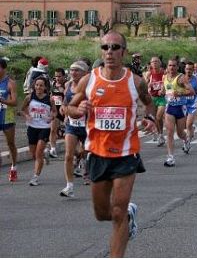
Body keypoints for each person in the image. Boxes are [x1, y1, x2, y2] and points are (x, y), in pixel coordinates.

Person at [66, 31, 157, 257]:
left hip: (126, 154)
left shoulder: (135, 82)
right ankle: (128, 216)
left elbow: (149, 103)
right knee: (102, 213)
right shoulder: (89, 80)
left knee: (117, 210)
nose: (110, 52)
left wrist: (150, 118)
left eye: (115, 47)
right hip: (97, 152)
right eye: (105, 47)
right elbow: (66, 108)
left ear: (123, 52)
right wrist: (77, 110)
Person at [60, 61, 89, 197]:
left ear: (85, 73)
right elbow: (65, 103)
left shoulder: (90, 87)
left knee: (85, 152)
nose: (73, 73)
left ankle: (86, 171)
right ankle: (69, 186)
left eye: (77, 70)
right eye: (71, 70)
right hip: (72, 125)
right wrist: (64, 110)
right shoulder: (68, 85)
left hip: (88, 125)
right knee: (68, 155)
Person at [22, 76, 57, 186]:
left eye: (41, 85)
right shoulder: (29, 97)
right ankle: (44, 154)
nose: (38, 87)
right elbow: (22, 109)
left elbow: (55, 112)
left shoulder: (49, 99)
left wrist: (51, 117)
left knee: (38, 153)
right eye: (37, 85)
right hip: (32, 127)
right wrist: (27, 116)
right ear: (34, 86)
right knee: (33, 154)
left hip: (44, 128)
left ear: (45, 87)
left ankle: (35, 177)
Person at [162, 59, 194, 166]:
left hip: (181, 108)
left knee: (180, 133)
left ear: (177, 67)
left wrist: (180, 93)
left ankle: (186, 140)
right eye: (170, 65)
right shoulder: (164, 77)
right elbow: (164, 90)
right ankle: (170, 157)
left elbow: (191, 91)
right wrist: (161, 91)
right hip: (170, 108)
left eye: (174, 66)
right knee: (170, 132)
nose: (171, 67)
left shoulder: (181, 78)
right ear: (167, 67)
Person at [0, 58, 18, 182]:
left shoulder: (10, 83)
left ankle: (13, 167)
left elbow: (15, 102)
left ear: (3, 68)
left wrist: (2, 100)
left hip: (7, 118)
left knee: (10, 143)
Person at [144, 57, 166, 146]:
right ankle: (160, 135)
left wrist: (163, 89)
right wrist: (148, 84)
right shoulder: (149, 74)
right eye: (153, 62)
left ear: (160, 63)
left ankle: (160, 134)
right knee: (156, 118)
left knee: (159, 117)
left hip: (162, 98)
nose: (154, 63)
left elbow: (168, 82)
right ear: (151, 64)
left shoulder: (164, 73)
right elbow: (144, 85)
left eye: (156, 61)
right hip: (153, 98)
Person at [48, 67, 67, 158]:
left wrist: (61, 89)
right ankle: (53, 149)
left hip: (66, 111)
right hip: (56, 110)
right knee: (52, 130)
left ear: (64, 76)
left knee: (69, 132)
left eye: (59, 76)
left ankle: (73, 151)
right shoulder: (54, 83)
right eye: (56, 76)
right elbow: (52, 94)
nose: (57, 78)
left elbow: (69, 95)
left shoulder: (67, 84)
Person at [184, 61, 197, 153]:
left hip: (192, 104)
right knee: (183, 125)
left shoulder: (196, 80)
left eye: (190, 69)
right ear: (184, 69)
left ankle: (187, 143)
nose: (188, 70)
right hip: (182, 104)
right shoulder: (181, 79)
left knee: (188, 124)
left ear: (193, 70)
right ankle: (191, 130)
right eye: (187, 69)